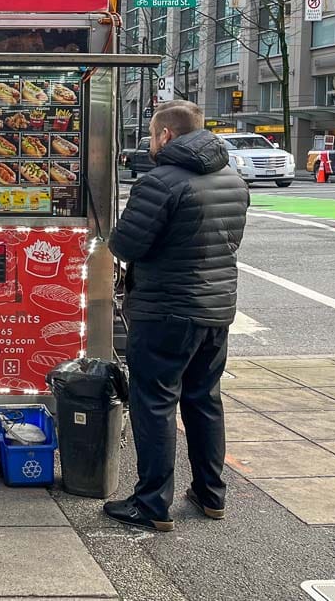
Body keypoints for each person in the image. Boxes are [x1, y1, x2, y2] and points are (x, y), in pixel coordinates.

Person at [104, 101, 249, 533]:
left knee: (155, 403)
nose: (150, 143)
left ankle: (151, 503)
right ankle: (210, 494)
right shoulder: (233, 180)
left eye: (151, 135)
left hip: (165, 310)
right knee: (204, 399)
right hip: (216, 309)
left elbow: (126, 245)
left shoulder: (160, 182)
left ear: (166, 135)